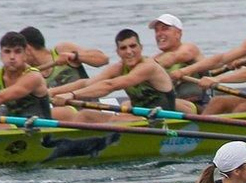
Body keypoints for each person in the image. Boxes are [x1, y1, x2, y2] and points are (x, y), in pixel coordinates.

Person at [48, 28, 189, 117]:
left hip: (163, 120)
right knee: (87, 116)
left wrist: (72, 95)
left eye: (133, 46)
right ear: (117, 52)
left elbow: (110, 85)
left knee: (106, 118)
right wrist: (51, 92)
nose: (129, 52)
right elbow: (87, 83)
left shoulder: (148, 67)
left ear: (141, 47)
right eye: (123, 48)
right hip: (142, 117)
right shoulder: (119, 67)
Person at [147, 13, 206, 106]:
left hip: (200, 104)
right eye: (156, 30)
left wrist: (147, 70)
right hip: (174, 104)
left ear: (178, 33)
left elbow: (172, 57)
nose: (159, 34)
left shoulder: (189, 48)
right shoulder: (156, 58)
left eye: (165, 29)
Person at [19, 25, 106, 88]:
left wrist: (75, 57)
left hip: (87, 104)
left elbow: (103, 59)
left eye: (18, 51)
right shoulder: (29, 72)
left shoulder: (62, 49)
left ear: (27, 49)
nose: (17, 57)